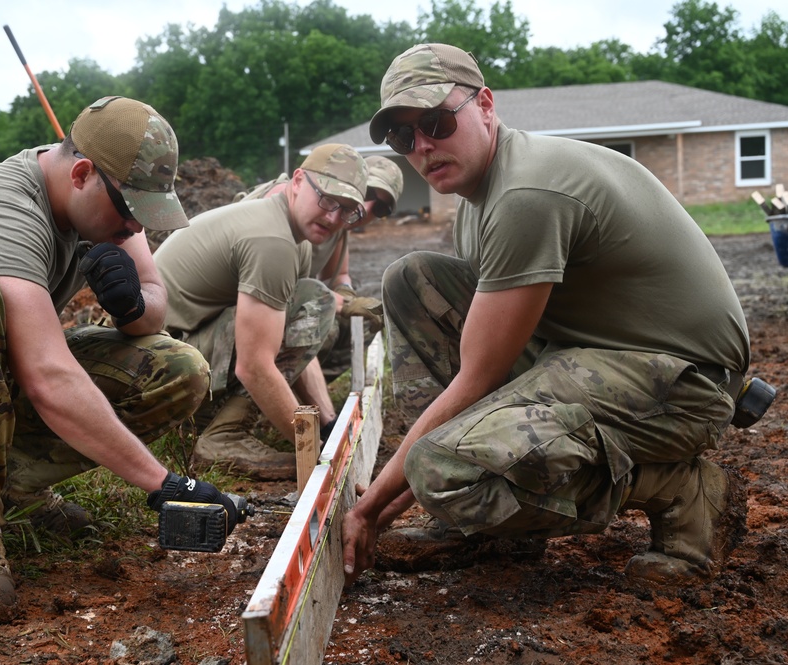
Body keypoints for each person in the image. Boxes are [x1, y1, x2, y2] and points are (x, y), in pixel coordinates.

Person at [342, 43, 753, 586]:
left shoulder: (526, 193)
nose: (421, 145)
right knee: (412, 280)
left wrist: (376, 504)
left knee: (443, 469)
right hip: (599, 353)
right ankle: (488, 521)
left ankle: (682, 485)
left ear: (485, 105)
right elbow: (486, 358)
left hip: (684, 384)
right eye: (402, 136)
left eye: (437, 122)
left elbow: (479, 376)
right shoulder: (478, 198)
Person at [0, 96, 242, 626]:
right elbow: (48, 376)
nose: (134, 229)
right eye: (129, 214)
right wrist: (165, 485)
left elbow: (152, 310)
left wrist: (131, 301)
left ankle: (12, 485)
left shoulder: (108, 205)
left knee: (177, 369)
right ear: (81, 174)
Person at [153, 144, 369, 480]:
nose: (333, 217)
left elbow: (294, 337)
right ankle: (225, 436)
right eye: (327, 199)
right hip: (162, 368)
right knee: (317, 301)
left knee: (312, 303)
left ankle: (217, 420)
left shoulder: (294, 236)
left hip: (178, 351)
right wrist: (317, 458)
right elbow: (254, 366)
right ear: (298, 181)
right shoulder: (273, 239)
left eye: (347, 210)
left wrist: (326, 427)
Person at [236, 155, 405, 381]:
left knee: (358, 323)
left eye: (381, 208)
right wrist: (347, 304)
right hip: (244, 307)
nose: (368, 207)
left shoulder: (338, 223)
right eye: (368, 193)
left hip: (281, 305)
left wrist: (346, 293)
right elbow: (284, 288)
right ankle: (268, 392)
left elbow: (340, 275)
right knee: (321, 324)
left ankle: (300, 389)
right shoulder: (288, 204)